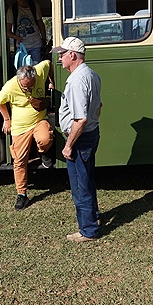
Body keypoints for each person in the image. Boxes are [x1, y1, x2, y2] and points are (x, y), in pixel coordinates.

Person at [53, 37, 102, 242]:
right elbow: (99, 107)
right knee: (87, 180)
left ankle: (88, 231)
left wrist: (68, 145)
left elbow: (79, 119)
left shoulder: (76, 80)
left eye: (62, 54)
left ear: (72, 55)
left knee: (80, 187)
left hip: (80, 139)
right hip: (91, 134)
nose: (60, 58)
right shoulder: (92, 74)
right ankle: (94, 218)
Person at [0, 61, 54, 211]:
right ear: (18, 80)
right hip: (20, 127)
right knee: (19, 160)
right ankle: (22, 194)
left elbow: (49, 62)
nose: (28, 89)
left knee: (45, 139)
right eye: (25, 87)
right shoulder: (9, 87)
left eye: (31, 86)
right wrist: (7, 120)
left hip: (39, 120)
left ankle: (42, 152)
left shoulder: (40, 71)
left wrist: (51, 81)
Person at [7, 0, 47, 64]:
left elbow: (40, 23)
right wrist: (17, 37)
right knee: (23, 70)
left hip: (36, 44)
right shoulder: (12, 9)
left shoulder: (34, 5)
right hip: (21, 46)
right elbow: (7, 31)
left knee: (35, 68)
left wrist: (44, 39)